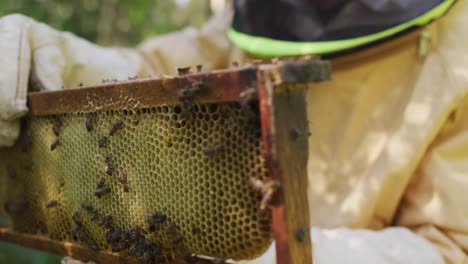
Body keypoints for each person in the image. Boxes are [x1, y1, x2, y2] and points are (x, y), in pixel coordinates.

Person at [0, 0, 466, 263]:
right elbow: (156, 75)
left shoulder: (458, 53)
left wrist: (287, 254)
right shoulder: (259, 19)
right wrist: (52, 58)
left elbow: (451, 247)